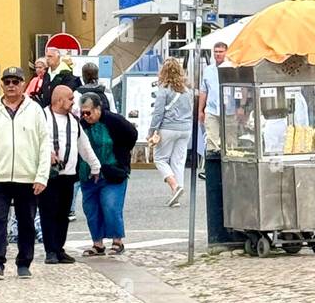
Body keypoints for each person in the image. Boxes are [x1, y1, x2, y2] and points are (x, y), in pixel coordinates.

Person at [0, 66, 50, 280]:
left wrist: (42, 176)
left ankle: (24, 263)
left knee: (26, 222)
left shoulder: (35, 111)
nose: (12, 85)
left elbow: (45, 145)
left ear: (23, 84)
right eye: (7, 82)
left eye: (16, 81)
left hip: (27, 177)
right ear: (2, 84)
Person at [39, 85, 101, 263]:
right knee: (48, 213)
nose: (74, 103)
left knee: (63, 213)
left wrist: (95, 166)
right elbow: (33, 141)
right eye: (70, 99)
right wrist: (46, 154)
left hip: (68, 174)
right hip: (48, 175)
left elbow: (84, 145)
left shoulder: (73, 121)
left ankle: (59, 248)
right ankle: (50, 250)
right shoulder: (42, 117)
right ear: (59, 100)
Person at [79, 92, 138, 257]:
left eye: (88, 112)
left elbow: (132, 135)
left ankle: (117, 241)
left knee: (111, 206)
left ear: (98, 109)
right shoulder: (81, 124)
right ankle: (97, 244)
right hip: (89, 173)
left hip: (112, 172)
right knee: (91, 209)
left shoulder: (114, 121)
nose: (85, 116)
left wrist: (122, 153)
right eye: (82, 112)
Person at [148, 58, 193, 206]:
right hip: (185, 129)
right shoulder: (187, 91)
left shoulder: (164, 90)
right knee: (178, 161)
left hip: (168, 128)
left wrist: (151, 131)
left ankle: (175, 186)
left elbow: (158, 113)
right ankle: (176, 196)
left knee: (160, 158)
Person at [199, 42, 229, 152]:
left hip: (228, 110)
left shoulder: (232, 68)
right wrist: (200, 110)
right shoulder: (208, 70)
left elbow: (241, 89)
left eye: (220, 52)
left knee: (230, 141)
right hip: (211, 110)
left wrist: (241, 106)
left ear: (226, 52)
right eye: (216, 52)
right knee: (211, 141)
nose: (218, 54)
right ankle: (213, 165)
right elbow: (204, 91)